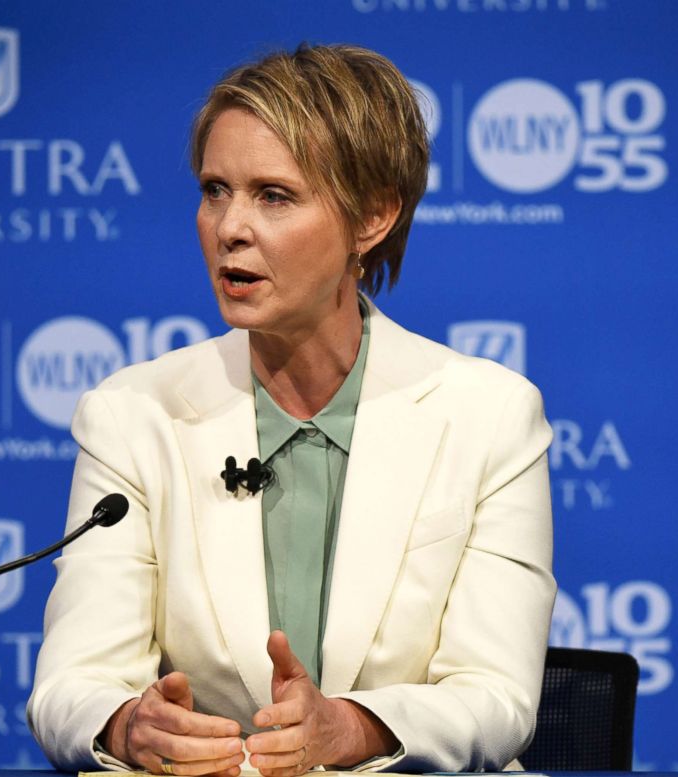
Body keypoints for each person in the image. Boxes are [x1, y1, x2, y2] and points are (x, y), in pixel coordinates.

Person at [28, 43, 555, 775]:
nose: (229, 227)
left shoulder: (489, 414)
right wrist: (127, 726)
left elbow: (497, 698)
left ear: (372, 216)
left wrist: (355, 727)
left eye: (273, 196)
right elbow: (70, 685)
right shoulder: (133, 413)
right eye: (216, 190)